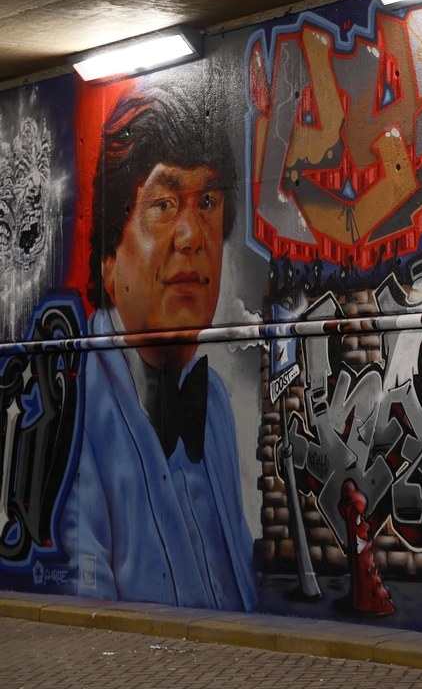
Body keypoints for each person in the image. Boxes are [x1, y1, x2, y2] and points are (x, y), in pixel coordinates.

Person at [62, 79, 256, 611]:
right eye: (165, 203)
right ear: (108, 259)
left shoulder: (211, 400)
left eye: (209, 201)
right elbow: (82, 616)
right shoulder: (74, 406)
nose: (193, 234)